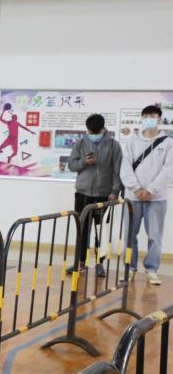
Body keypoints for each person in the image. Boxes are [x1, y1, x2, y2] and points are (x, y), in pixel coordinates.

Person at [120, 105, 172, 286]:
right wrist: (136, 189)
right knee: (129, 235)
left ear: (159, 119)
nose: (148, 119)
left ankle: (151, 270)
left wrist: (150, 190)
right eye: (145, 116)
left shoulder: (168, 142)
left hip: (156, 198)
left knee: (155, 236)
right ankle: (129, 269)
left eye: (152, 116)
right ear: (141, 119)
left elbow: (169, 170)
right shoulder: (132, 141)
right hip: (133, 197)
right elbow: (125, 167)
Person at [67, 114, 122, 277]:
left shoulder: (113, 145)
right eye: (91, 131)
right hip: (82, 193)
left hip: (104, 195)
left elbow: (117, 171)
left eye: (95, 132)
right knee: (82, 229)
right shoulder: (80, 143)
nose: (93, 134)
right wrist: (84, 162)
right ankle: (81, 263)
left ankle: (100, 263)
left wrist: (115, 191)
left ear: (103, 129)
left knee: (101, 231)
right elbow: (71, 165)